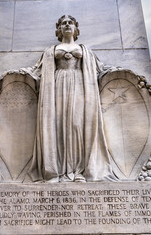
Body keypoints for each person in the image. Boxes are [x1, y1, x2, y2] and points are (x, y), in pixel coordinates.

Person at [26, 15, 118, 183]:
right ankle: (59, 171)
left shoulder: (85, 50)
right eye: (63, 23)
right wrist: (23, 74)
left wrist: (116, 72)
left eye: (70, 23)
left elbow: (101, 69)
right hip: (57, 86)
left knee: (77, 125)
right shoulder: (50, 50)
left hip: (80, 86)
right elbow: (36, 70)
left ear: (76, 29)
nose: (67, 25)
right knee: (59, 125)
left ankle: (78, 171)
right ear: (59, 29)